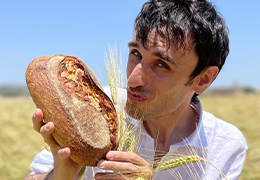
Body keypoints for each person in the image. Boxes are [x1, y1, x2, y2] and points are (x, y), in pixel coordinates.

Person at [24, 0, 248, 179]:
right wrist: (59, 176)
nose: (132, 80)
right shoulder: (93, 113)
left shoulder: (227, 146)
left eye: (161, 65)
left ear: (203, 79)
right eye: (135, 54)